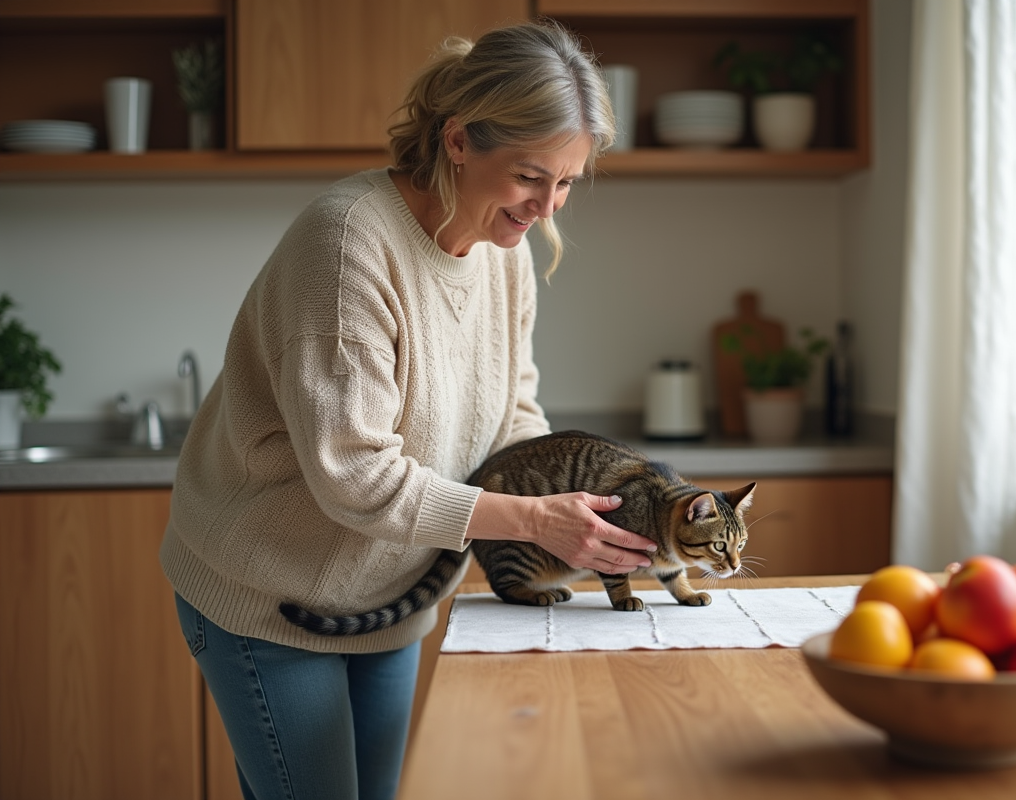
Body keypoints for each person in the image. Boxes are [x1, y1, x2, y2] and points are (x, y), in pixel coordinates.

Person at [160, 20, 657, 800]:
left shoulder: (503, 250)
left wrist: (574, 503)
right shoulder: (347, 244)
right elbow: (355, 475)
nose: (546, 207)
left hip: (390, 594)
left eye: (566, 183)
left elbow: (513, 414)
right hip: (266, 593)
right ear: (458, 140)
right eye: (530, 176)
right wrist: (532, 521)